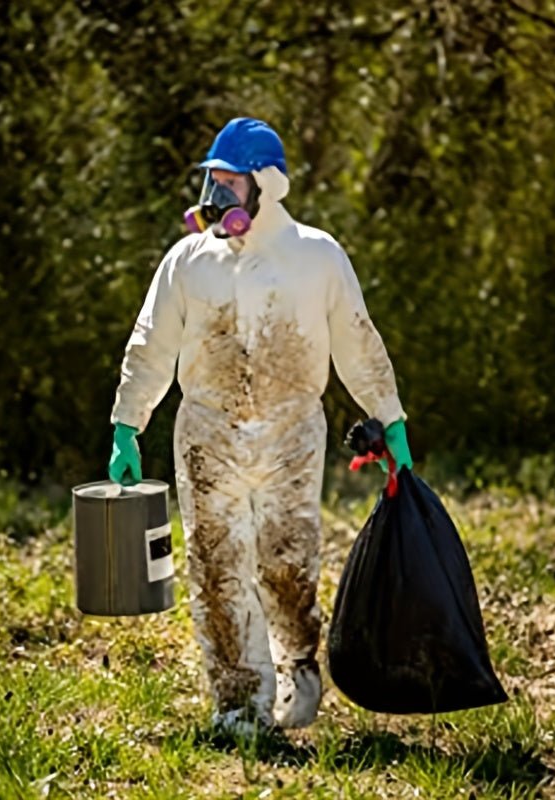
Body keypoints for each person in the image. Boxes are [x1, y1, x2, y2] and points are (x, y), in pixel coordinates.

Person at [108, 117, 412, 734]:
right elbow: (151, 344)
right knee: (217, 567)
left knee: (287, 560)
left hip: (291, 435)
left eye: (229, 184)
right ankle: (239, 703)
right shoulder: (188, 260)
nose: (216, 198)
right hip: (207, 435)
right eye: (211, 183)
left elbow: (358, 342)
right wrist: (126, 425)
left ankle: (297, 666)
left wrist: (391, 418)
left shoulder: (317, 256)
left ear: (266, 187)